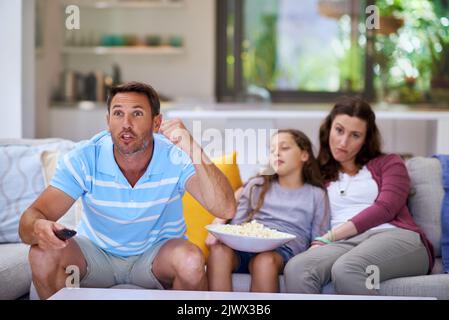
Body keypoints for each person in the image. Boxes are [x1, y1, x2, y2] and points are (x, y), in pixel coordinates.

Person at [18, 81, 236, 299]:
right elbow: (29, 221)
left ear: (156, 123)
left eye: (137, 114)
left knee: (191, 261)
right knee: (41, 254)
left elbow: (225, 209)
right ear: (107, 121)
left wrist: (193, 147)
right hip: (95, 255)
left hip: (156, 257)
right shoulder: (85, 157)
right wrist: (39, 228)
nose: (126, 123)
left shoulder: (175, 156)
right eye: (118, 113)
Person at [284, 96, 435, 295]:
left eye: (355, 135)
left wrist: (329, 237)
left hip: (395, 237)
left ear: (365, 140)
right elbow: (279, 184)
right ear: (328, 128)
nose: (343, 142)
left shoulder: (389, 163)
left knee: (347, 269)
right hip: (345, 245)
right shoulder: (317, 173)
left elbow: (386, 208)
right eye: (339, 130)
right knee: (297, 268)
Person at [206, 129, 329, 292]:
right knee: (219, 252)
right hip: (246, 246)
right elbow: (237, 226)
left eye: (284, 148)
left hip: (284, 251)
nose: (277, 153)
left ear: (304, 156)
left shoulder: (317, 195)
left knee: (264, 262)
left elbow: (319, 239)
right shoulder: (257, 185)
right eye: (272, 150)